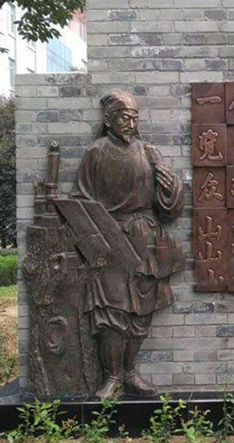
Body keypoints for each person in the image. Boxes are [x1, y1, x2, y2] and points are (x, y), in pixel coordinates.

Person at [71, 91, 185, 398]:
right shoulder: (95, 153)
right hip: (109, 238)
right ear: (109, 120)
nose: (130, 124)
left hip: (145, 237)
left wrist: (171, 185)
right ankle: (112, 377)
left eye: (134, 118)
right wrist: (95, 240)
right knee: (112, 312)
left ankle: (130, 373)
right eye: (124, 118)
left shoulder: (148, 152)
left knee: (141, 311)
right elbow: (80, 200)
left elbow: (170, 208)